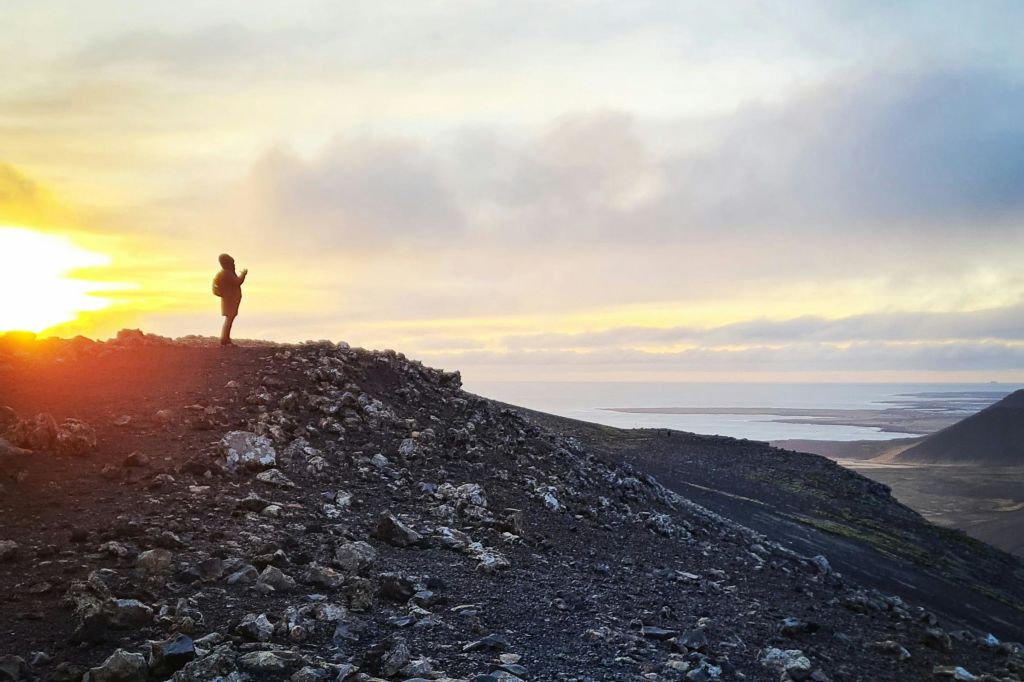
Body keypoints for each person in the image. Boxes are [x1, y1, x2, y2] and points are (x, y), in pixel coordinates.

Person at [212, 253, 247, 346]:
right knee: (229, 320)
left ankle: (226, 339)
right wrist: (243, 274)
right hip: (230, 300)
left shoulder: (222, 273)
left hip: (228, 299)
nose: (234, 265)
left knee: (229, 319)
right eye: (232, 263)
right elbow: (237, 282)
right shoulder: (227, 273)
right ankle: (224, 339)